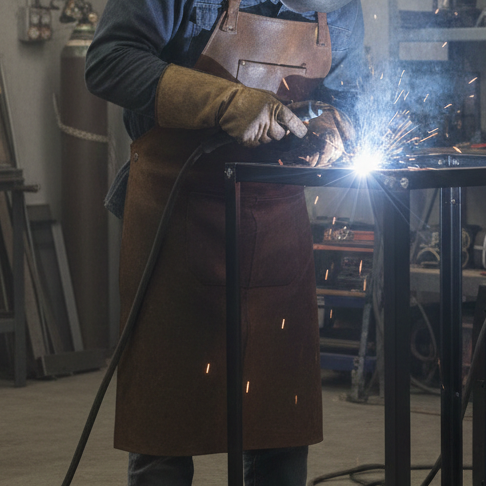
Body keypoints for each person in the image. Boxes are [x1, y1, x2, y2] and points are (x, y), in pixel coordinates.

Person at [84, 1, 366, 484]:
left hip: (276, 219)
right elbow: (109, 59)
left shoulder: (338, 6)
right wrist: (224, 101)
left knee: (279, 420)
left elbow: (350, 94)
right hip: (177, 207)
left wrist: (336, 125)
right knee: (164, 428)